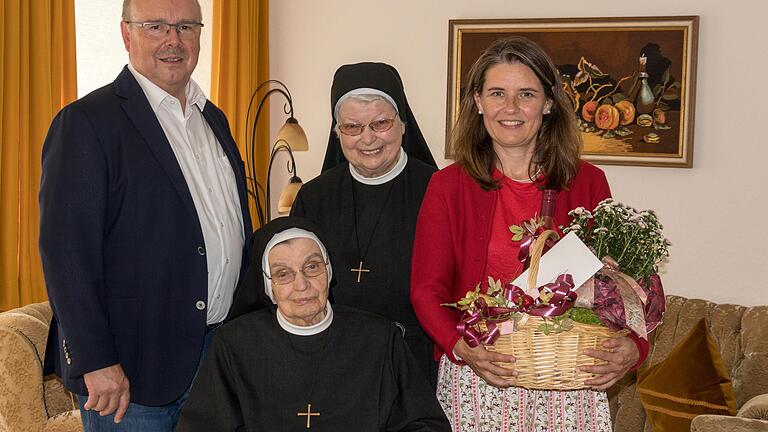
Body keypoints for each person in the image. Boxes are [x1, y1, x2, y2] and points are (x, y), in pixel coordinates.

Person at [410, 36, 649, 431]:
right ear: (478, 101)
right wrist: (460, 347)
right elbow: (425, 289)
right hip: (482, 374)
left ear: (549, 103)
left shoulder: (588, 183)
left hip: (569, 382)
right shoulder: (447, 186)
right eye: (497, 93)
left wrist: (633, 348)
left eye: (526, 94)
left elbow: (622, 285)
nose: (510, 108)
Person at [38, 0, 252, 430]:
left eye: (186, 27)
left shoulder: (214, 120)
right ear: (126, 33)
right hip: (131, 372)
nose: (173, 40)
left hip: (216, 357)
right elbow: (66, 252)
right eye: (156, 26)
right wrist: (95, 360)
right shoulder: (86, 122)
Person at [176, 216, 451, 431]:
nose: (301, 284)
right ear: (268, 286)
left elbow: (424, 423)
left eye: (312, 267)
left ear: (329, 272)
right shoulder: (235, 345)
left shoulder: (379, 338)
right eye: (283, 274)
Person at [290, 62, 440, 385]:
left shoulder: (438, 190)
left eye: (381, 123)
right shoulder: (313, 198)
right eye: (352, 127)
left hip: (415, 362)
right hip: (334, 362)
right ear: (337, 132)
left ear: (402, 124)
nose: (368, 138)